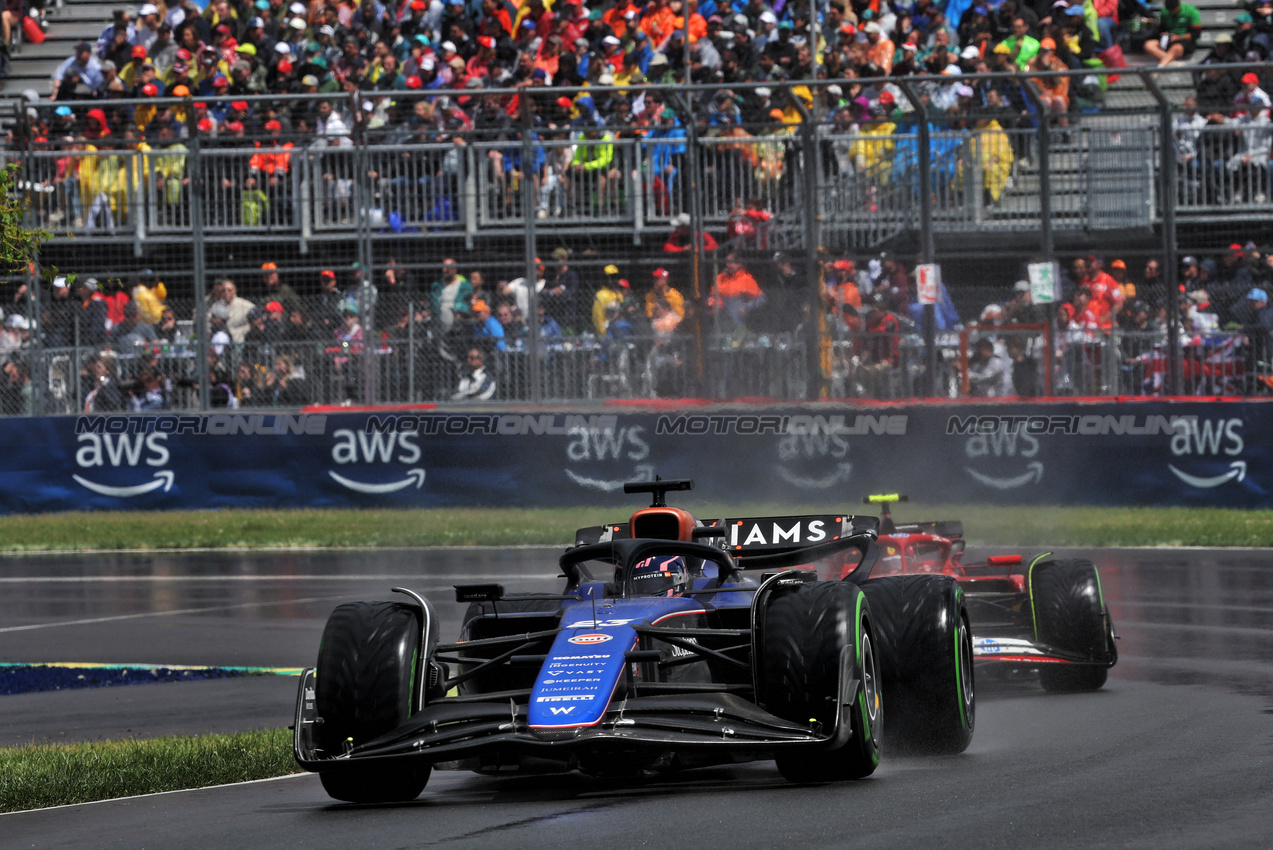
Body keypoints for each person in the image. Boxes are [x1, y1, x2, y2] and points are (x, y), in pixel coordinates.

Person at [708, 254, 765, 329]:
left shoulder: (746, 279)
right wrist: (712, 302)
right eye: (727, 262)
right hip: (721, 310)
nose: (727, 265)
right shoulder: (720, 278)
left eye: (731, 263)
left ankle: (739, 336)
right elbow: (712, 295)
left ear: (739, 264)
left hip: (737, 311)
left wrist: (747, 307)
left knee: (735, 307)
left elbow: (761, 298)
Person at [1144, 0, 1201, 66]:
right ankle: (1171, 61)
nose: (1172, 12)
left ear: (1178, 5)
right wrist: (1163, 34)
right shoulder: (1165, 11)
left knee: (1175, 48)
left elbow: (1196, 34)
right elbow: (1161, 29)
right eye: (1170, 11)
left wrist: (1179, 37)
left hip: (1184, 41)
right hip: (1168, 39)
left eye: (1174, 10)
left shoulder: (1192, 11)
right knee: (1149, 45)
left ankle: (1160, 67)